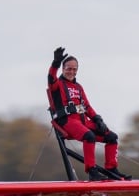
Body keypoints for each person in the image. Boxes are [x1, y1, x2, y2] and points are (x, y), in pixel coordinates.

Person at [47, 47, 129, 180]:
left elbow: (87, 107)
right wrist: (55, 64)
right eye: (68, 68)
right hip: (66, 122)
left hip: (83, 121)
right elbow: (50, 78)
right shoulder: (57, 85)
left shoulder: (78, 87)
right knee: (89, 136)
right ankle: (92, 170)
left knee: (112, 137)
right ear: (63, 68)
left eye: (74, 69)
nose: (71, 72)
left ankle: (111, 168)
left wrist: (97, 119)